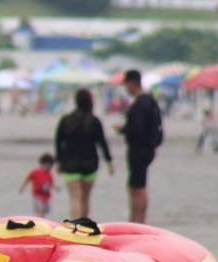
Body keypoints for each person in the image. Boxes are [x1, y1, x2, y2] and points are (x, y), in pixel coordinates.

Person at [54, 88, 114, 220]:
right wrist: (109, 161)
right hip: (90, 161)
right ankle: (84, 227)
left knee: (75, 197)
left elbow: (58, 141)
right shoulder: (94, 121)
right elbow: (102, 142)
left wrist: (58, 160)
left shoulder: (66, 120)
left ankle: (75, 226)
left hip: (70, 161)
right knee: (85, 197)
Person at [115, 70, 161, 224]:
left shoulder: (141, 103)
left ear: (132, 83)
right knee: (137, 185)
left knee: (137, 188)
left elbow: (137, 128)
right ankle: (137, 219)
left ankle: (137, 220)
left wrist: (123, 129)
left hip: (139, 149)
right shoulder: (150, 100)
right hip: (147, 148)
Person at [18, 153, 58, 218]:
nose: (49, 169)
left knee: (44, 211)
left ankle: (42, 220)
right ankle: (40, 221)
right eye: (48, 166)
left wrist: (56, 187)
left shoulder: (49, 174)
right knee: (40, 210)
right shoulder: (35, 172)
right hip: (37, 195)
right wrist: (22, 188)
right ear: (42, 164)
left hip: (46, 196)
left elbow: (51, 183)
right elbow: (27, 180)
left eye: (50, 167)